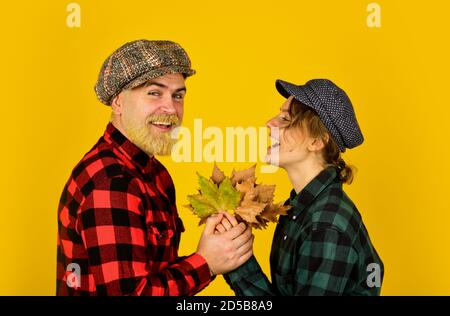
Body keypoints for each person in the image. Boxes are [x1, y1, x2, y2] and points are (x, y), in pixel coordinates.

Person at [56, 40, 253, 295]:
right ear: (118, 102)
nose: (171, 108)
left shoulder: (156, 174)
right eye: (154, 93)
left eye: (178, 95)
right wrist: (206, 263)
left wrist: (214, 248)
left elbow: (154, 273)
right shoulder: (113, 184)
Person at [218, 79, 384, 295]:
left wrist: (237, 263)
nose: (269, 123)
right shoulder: (300, 208)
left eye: (286, 119)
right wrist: (236, 256)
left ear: (316, 141)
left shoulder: (325, 227)